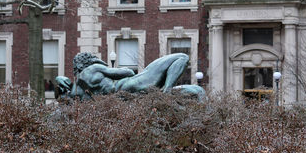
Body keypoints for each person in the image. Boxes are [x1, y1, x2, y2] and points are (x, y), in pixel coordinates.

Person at [56, 52, 205, 101]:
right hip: (131, 85)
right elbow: (128, 73)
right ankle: (166, 92)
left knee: (196, 91)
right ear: (88, 61)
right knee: (182, 57)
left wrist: (59, 79)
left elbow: (64, 97)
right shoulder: (94, 68)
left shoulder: (77, 89)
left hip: (127, 95)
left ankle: (167, 92)